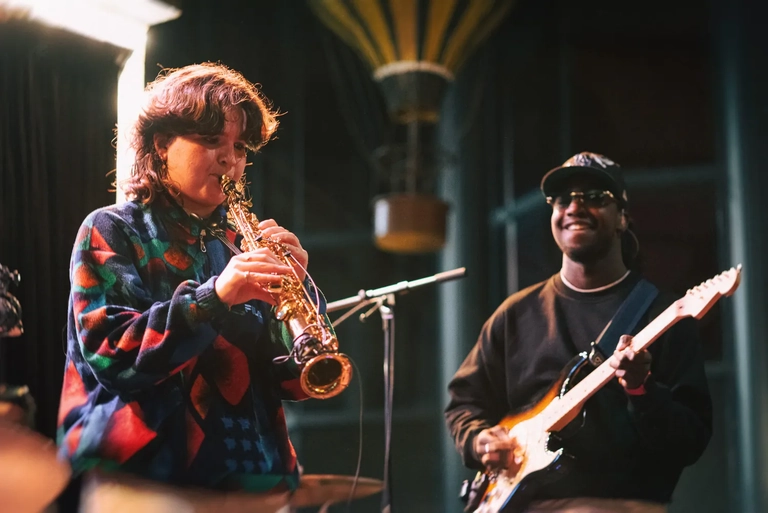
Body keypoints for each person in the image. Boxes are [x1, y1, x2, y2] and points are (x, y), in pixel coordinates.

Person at [57, 63, 323, 511]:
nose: (230, 159)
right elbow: (113, 357)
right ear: (162, 144)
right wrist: (215, 296)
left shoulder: (244, 246)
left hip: (252, 484)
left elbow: (295, 383)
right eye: (211, 140)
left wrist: (302, 300)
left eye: (240, 147)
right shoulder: (112, 229)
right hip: (141, 484)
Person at [445, 152, 712, 513]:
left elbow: (689, 440)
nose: (574, 207)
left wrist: (641, 389)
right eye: (562, 199)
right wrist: (479, 439)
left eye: (594, 197)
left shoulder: (665, 315)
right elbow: (464, 402)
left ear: (622, 218)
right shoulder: (515, 314)